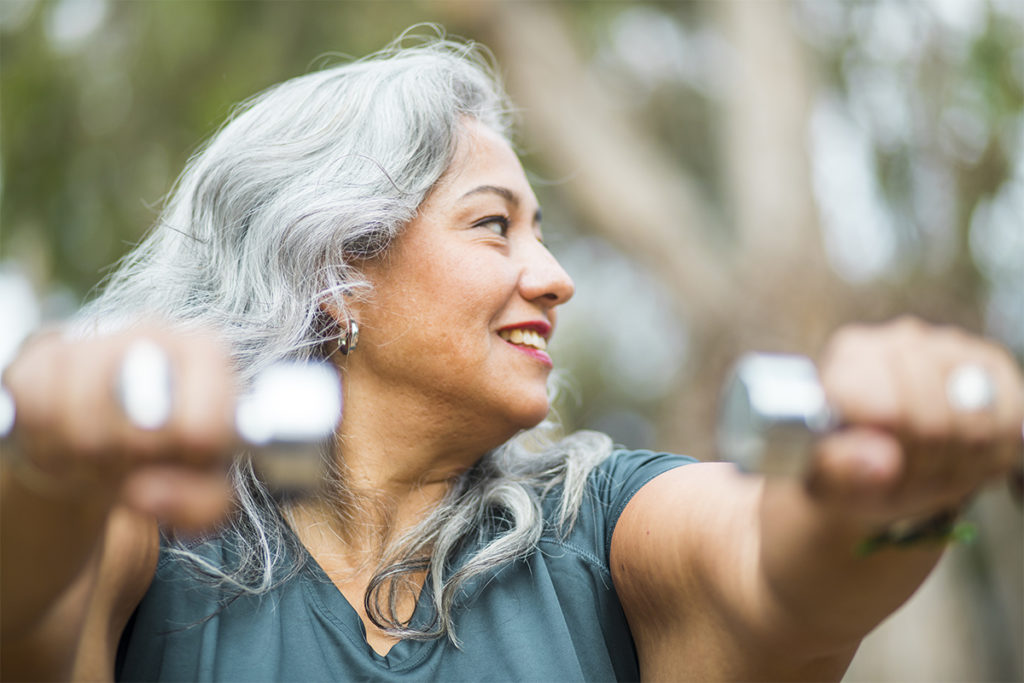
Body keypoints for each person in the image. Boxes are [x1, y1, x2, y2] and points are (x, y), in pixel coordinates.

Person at [1, 34, 1022, 682]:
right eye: (494, 226)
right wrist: (47, 466)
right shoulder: (152, 529)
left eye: (540, 230)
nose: (554, 276)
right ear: (333, 267)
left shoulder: (601, 528)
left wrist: (887, 501)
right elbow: (29, 604)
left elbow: (784, 580)